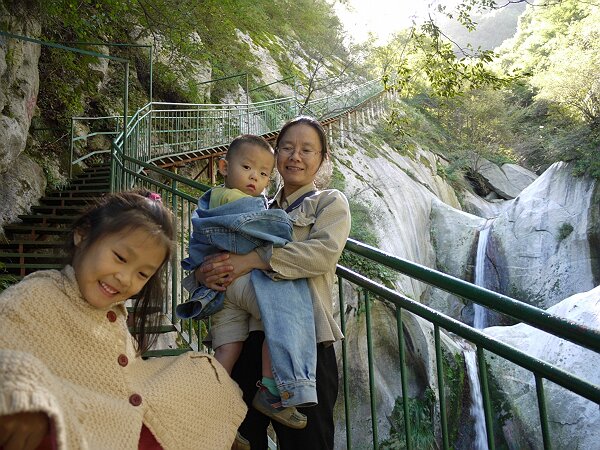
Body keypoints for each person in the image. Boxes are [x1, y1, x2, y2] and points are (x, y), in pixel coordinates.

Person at [0, 190, 246, 450]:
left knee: (205, 372)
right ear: (82, 235)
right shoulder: (38, 294)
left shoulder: (115, 313)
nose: (126, 278)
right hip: (85, 416)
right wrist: (23, 393)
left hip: (119, 408)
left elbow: (126, 372)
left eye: (142, 274)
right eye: (119, 258)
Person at [196, 116, 352, 450]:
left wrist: (252, 260)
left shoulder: (329, 202)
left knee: (308, 442)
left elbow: (321, 255)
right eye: (288, 148)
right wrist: (203, 273)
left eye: (307, 149)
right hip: (251, 340)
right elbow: (213, 248)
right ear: (277, 155)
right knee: (241, 439)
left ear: (322, 159)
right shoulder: (254, 207)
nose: (296, 156)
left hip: (307, 341)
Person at [178, 135, 315, 431]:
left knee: (227, 350)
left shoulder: (213, 198)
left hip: (221, 292)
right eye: (247, 168)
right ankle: (271, 389)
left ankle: (210, 404)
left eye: (263, 174)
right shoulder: (237, 203)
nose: (255, 177)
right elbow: (268, 231)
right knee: (279, 320)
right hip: (243, 282)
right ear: (225, 167)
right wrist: (278, 224)